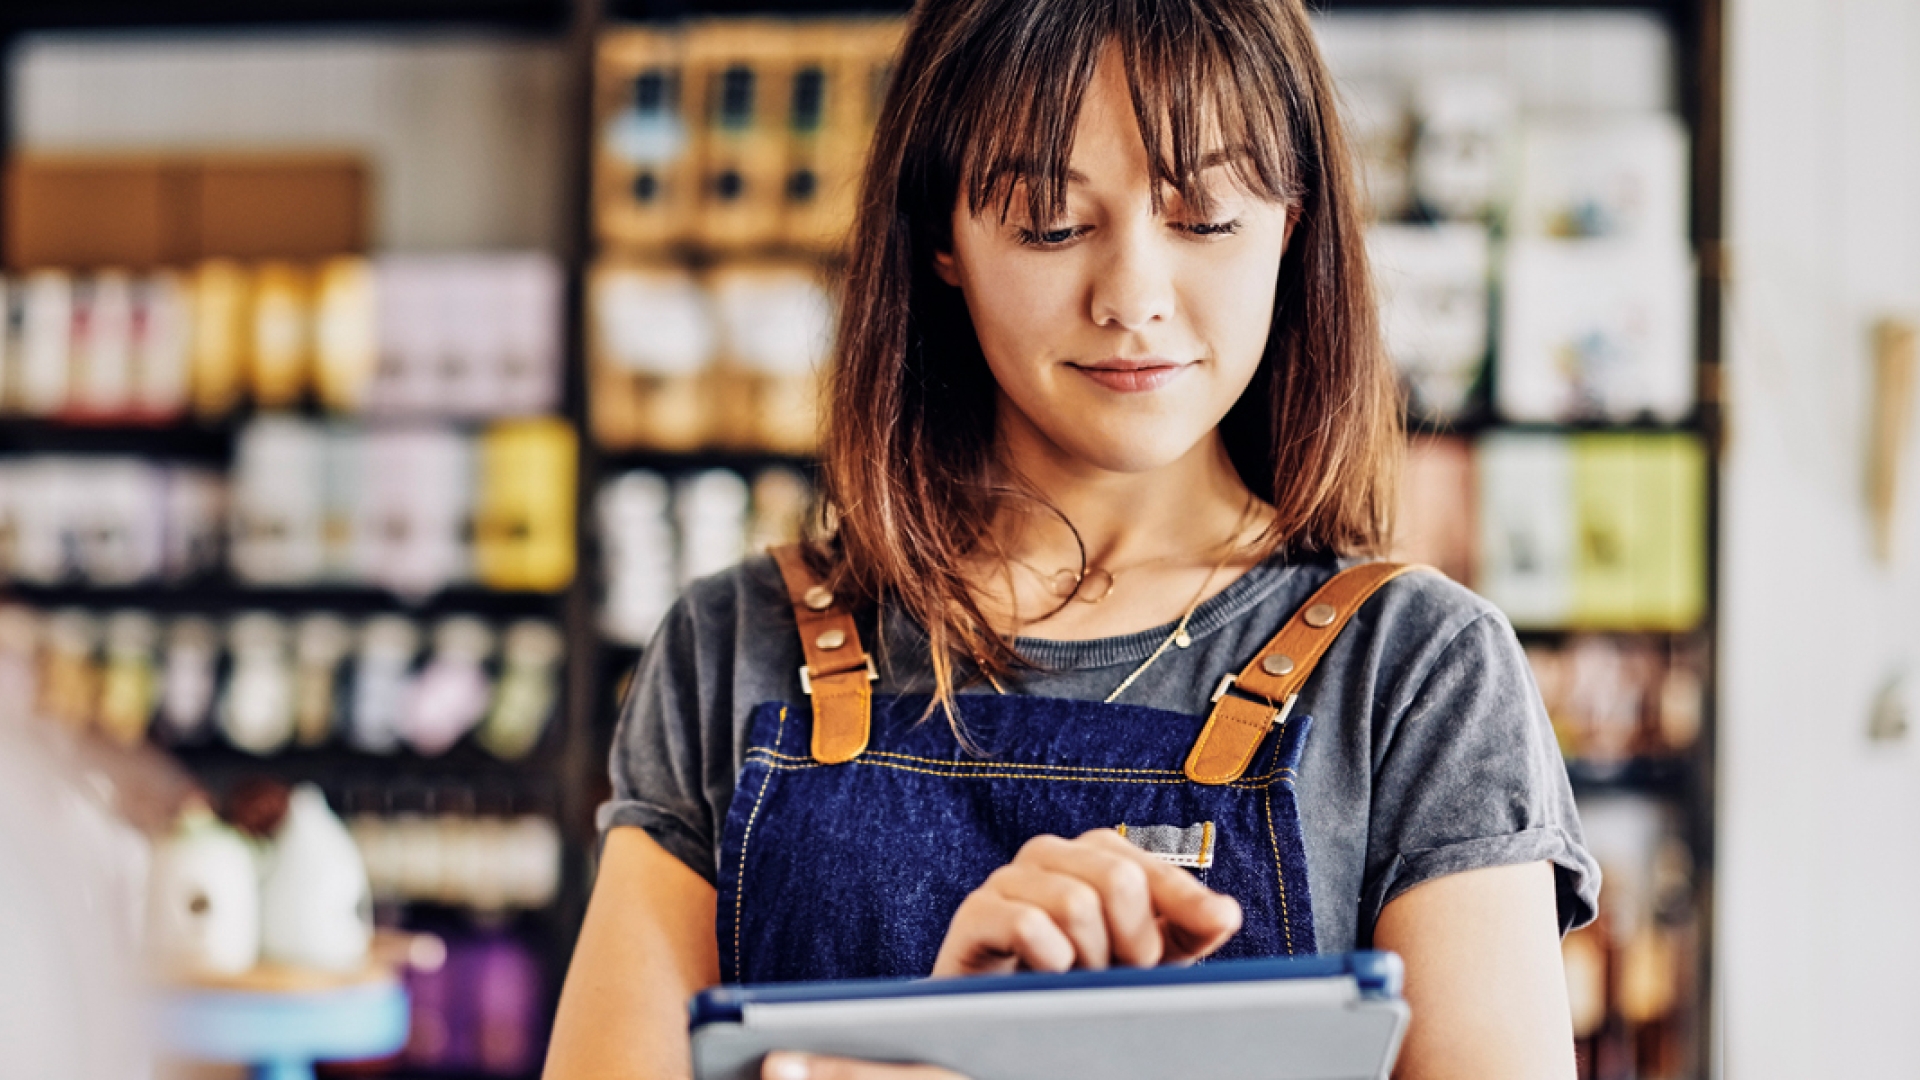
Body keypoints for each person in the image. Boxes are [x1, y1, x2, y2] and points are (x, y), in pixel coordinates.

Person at [546, 0, 1599, 1077]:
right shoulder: (735, 645)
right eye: (1051, 220)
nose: (1133, 298)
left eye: (1206, 216)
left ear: (1294, 218)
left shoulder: (1419, 673)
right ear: (941, 237)